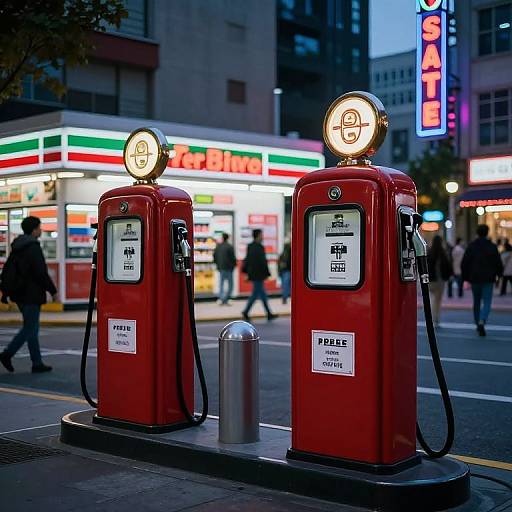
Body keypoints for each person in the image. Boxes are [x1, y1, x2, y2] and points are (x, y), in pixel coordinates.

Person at [0, 216, 57, 372]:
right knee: (30, 328)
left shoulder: (18, 246)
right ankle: (7, 354)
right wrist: (52, 290)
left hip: (19, 293)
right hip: (31, 293)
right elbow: (40, 272)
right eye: (39, 227)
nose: (41, 230)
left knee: (32, 327)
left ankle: (36, 362)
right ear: (34, 230)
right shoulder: (32, 247)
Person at [461, 224, 503, 337]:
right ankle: (482, 320)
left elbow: (465, 263)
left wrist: (465, 277)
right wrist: (499, 275)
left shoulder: (471, 246)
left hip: (474, 278)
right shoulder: (492, 246)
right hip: (489, 278)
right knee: (487, 301)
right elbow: (498, 263)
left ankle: (477, 321)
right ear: (487, 233)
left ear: (477, 233)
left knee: (476, 301)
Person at [241, 229, 277, 321]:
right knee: (256, 294)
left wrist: (246, 273)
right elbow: (263, 262)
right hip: (259, 275)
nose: (262, 237)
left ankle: (268, 313)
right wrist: (267, 273)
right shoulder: (260, 247)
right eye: (261, 235)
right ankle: (246, 311)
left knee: (261, 294)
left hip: (253, 274)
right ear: (257, 236)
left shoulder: (250, 246)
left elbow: (247, 260)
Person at [427, 235, 453, 327]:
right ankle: (436, 319)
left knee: (431, 299)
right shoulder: (443, 253)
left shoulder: (429, 252)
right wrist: (449, 276)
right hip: (440, 280)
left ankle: (430, 317)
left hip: (430, 280)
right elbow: (448, 267)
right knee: (437, 301)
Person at [213, 233, 236, 305]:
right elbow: (233, 258)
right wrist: (233, 266)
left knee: (221, 284)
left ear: (222, 238)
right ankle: (226, 298)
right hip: (229, 268)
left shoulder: (218, 246)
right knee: (230, 284)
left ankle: (221, 298)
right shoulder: (230, 246)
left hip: (221, 268)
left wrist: (217, 265)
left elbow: (214, 256)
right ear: (228, 238)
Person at [278, 239, 291, 304]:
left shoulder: (282, 254)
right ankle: (285, 298)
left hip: (283, 272)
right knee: (287, 286)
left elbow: (279, 264)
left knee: (285, 286)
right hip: (288, 271)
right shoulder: (289, 254)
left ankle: (284, 298)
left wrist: (279, 272)